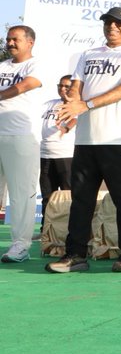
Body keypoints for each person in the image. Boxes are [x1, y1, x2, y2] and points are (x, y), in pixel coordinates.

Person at [47, 7, 121, 274]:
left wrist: (86, 105)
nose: (112, 27)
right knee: (81, 201)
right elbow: (75, 87)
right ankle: (76, 256)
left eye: (119, 23)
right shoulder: (88, 54)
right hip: (85, 141)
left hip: (118, 141)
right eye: (108, 22)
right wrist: (71, 108)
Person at [0, 26, 44, 264]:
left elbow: (25, 85)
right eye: (7, 39)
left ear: (30, 42)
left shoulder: (36, 65)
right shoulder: (2, 66)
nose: (10, 43)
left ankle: (20, 246)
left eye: (15, 39)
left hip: (21, 137)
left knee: (21, 194)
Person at [38, 75, 75, 234]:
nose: (62, 89)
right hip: (45, 155)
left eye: (67, 86)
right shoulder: (49, 104)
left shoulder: (76, 105)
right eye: (60, 85)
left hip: (66, 156)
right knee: (48, 196)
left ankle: (71, 231)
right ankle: (45, 230)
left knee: (68, 195)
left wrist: (65, 128)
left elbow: (75, 121)